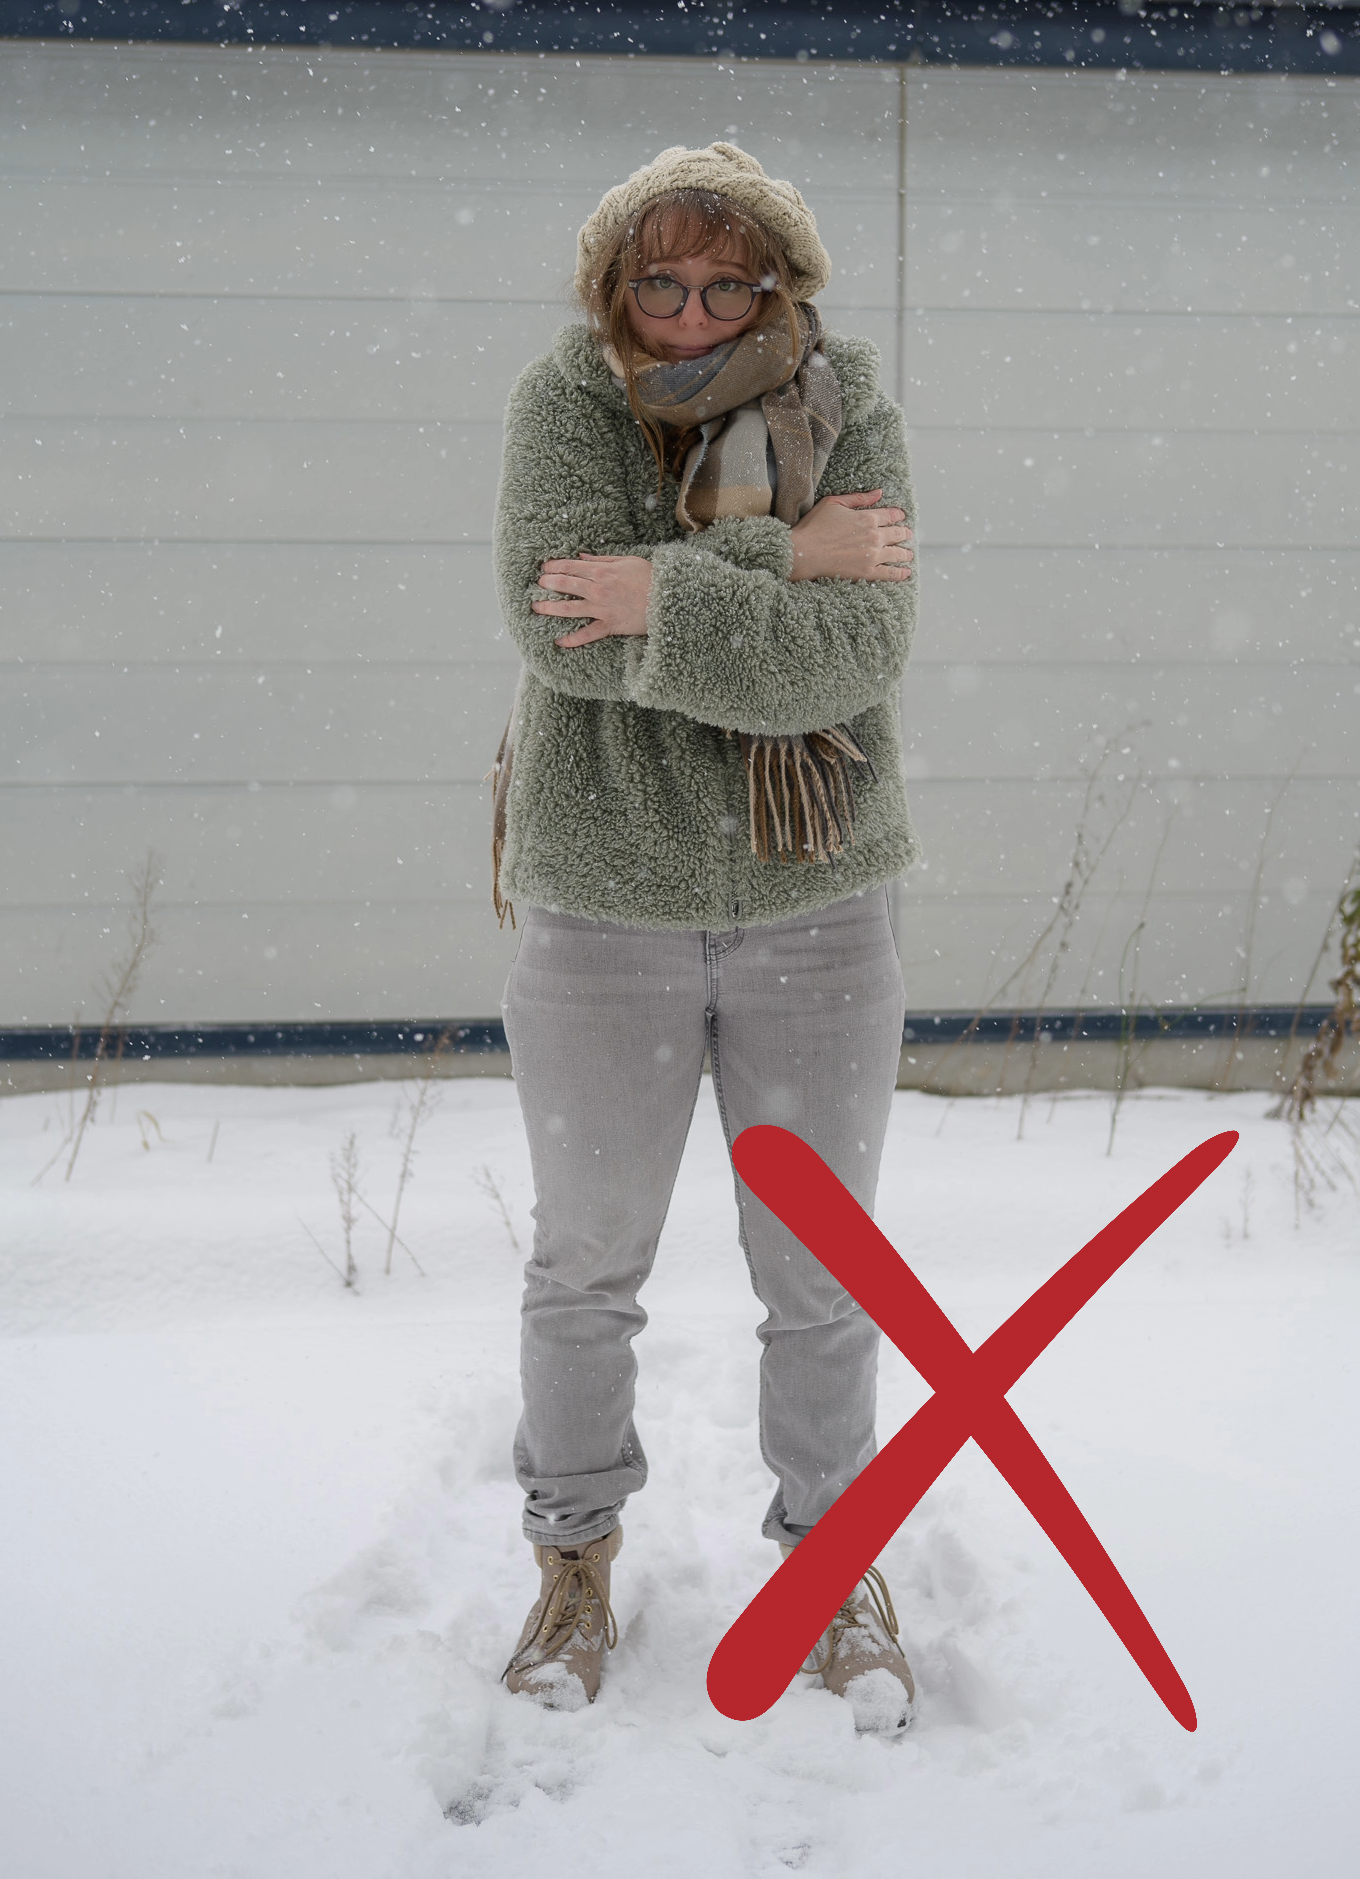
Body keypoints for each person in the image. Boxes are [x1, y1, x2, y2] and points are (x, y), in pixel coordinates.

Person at [490, 142, 920, 1731]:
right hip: (602, 902)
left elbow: (851, 659)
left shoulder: (846, 401)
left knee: (822, 1276)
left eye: (721, 282)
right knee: (588, 1264)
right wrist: (776, 564)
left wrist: (659, 594)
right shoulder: (563, 402)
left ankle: (833, 1560)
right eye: (657, 282)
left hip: (819, 905)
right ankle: (574, 1558)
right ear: (616, 288)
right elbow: (555, 629)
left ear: (774, 285)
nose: (686, 312)